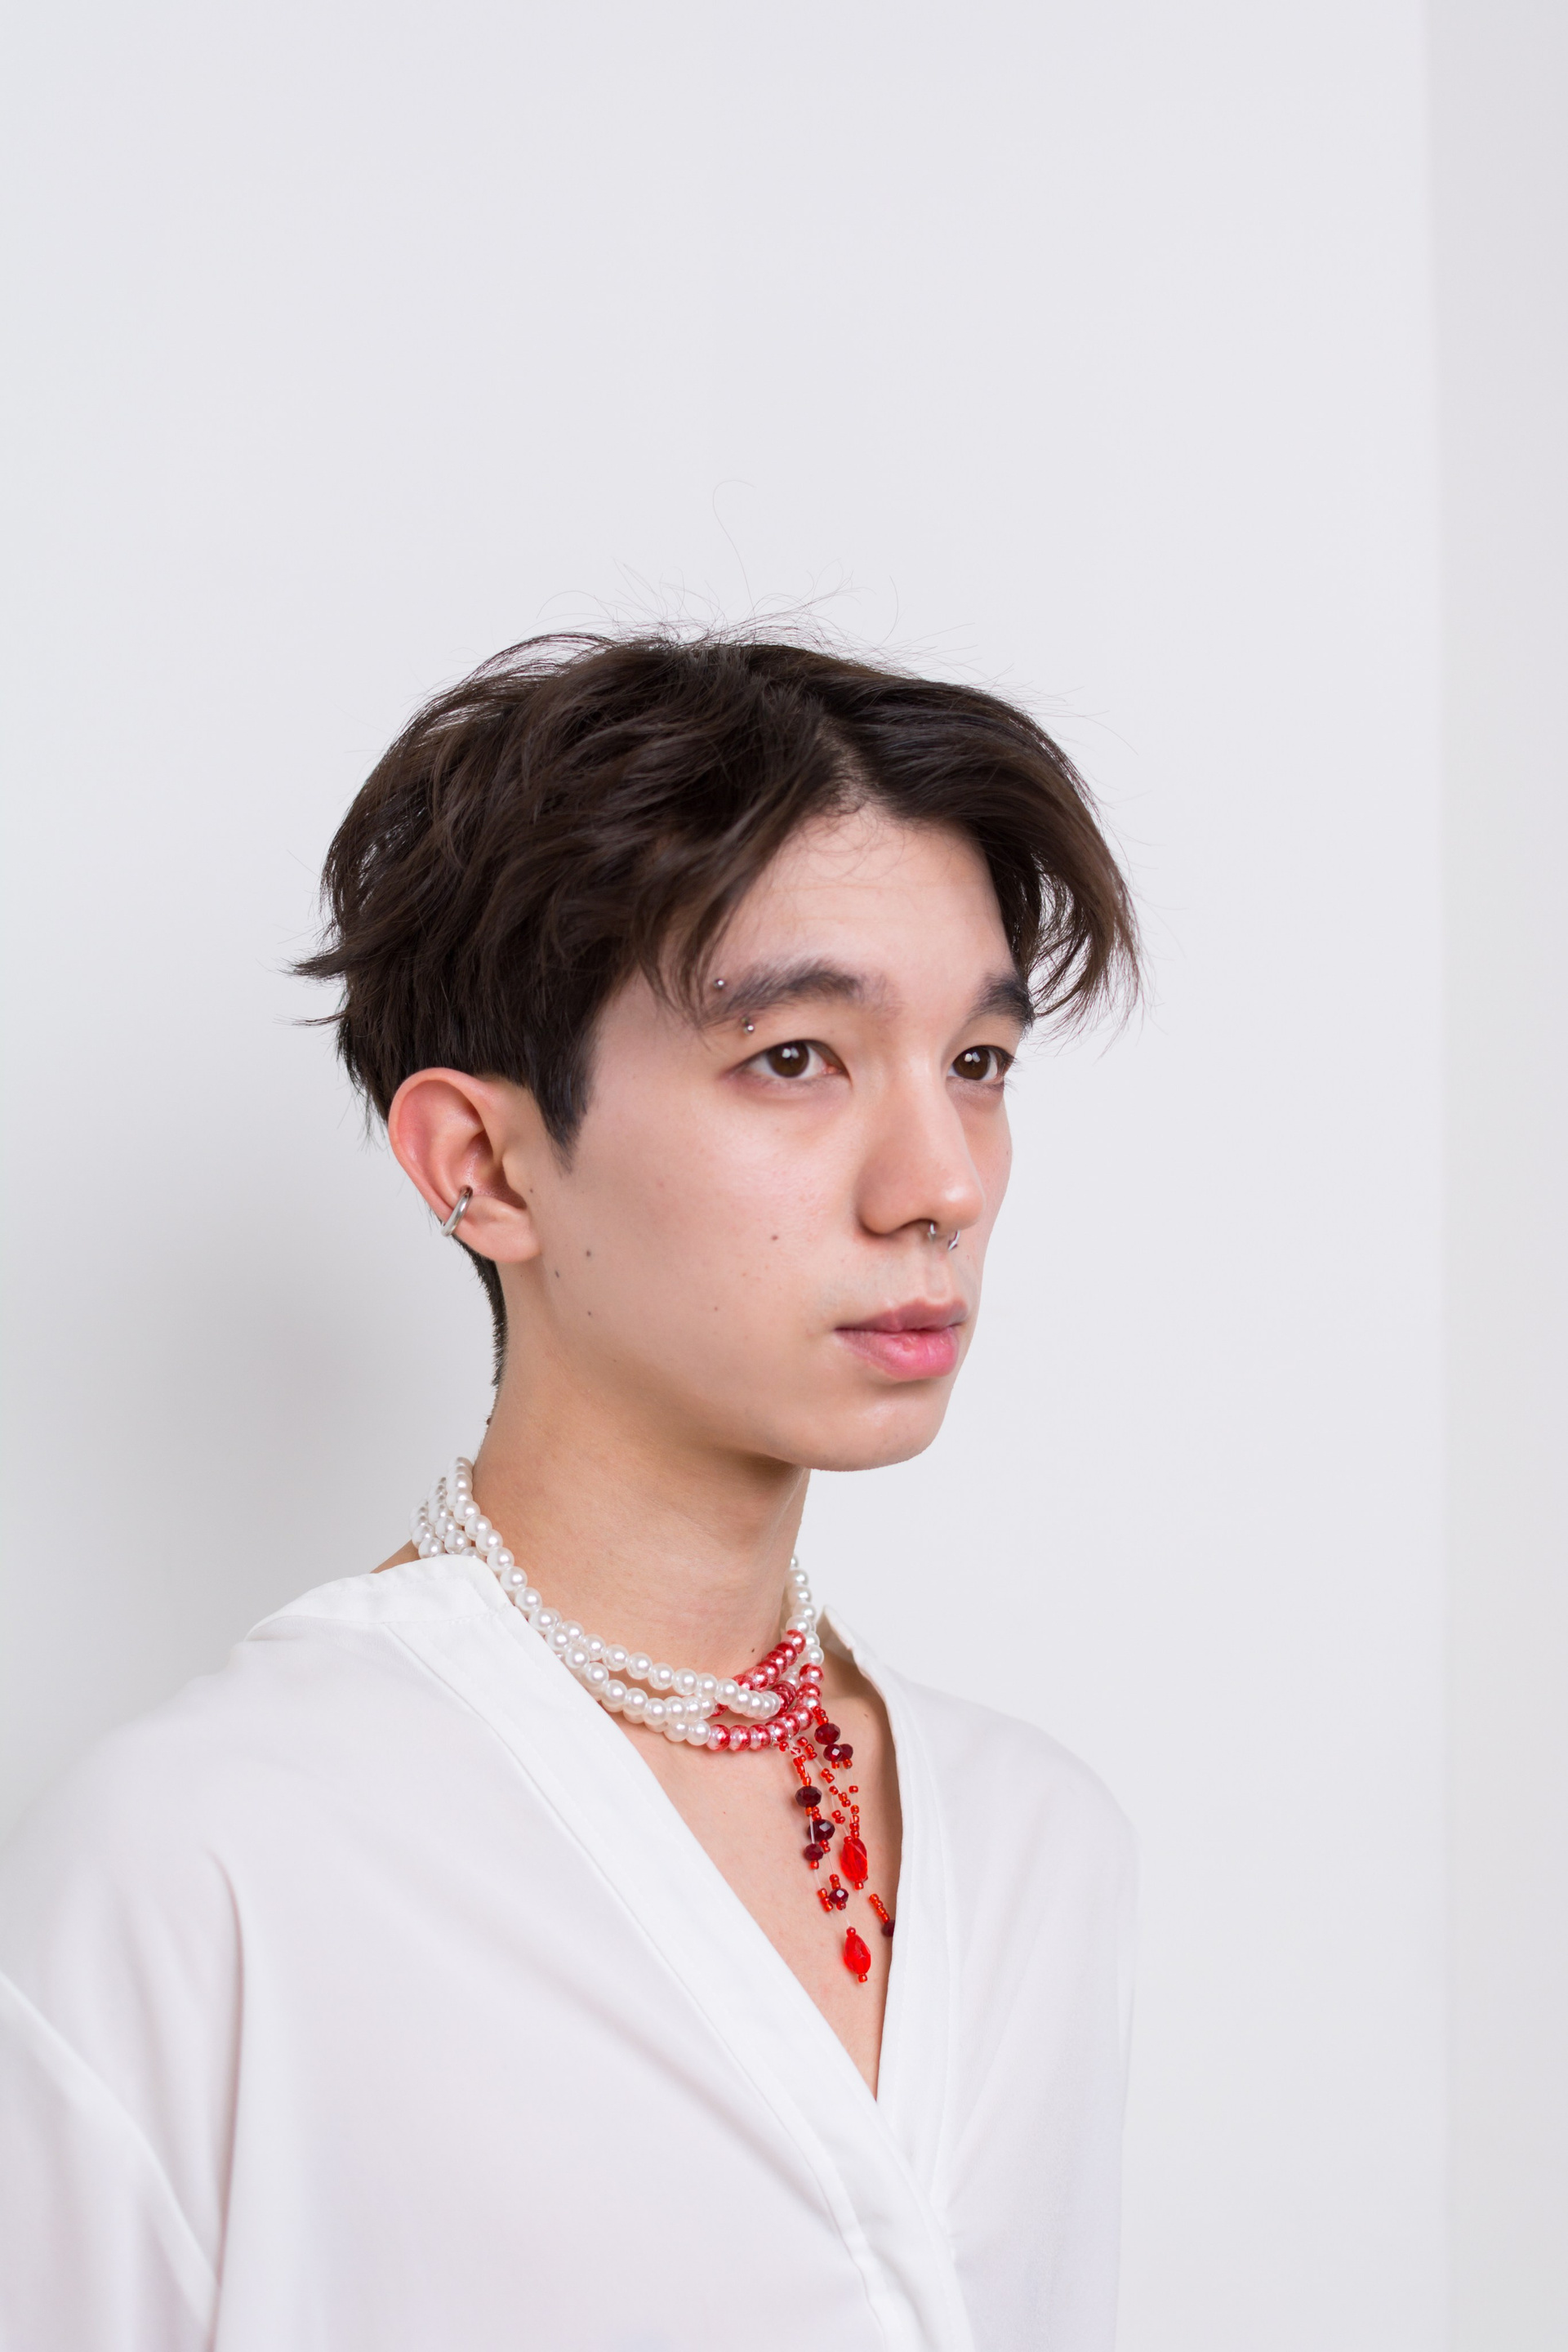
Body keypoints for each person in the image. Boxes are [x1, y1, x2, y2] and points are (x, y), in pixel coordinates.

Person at [0, 630, 1142, 2351]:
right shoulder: (206, 1863)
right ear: (483, 1164)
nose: (941, 1185)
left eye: (976, 1064)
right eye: (797, 1057)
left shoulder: (1040, 1842)